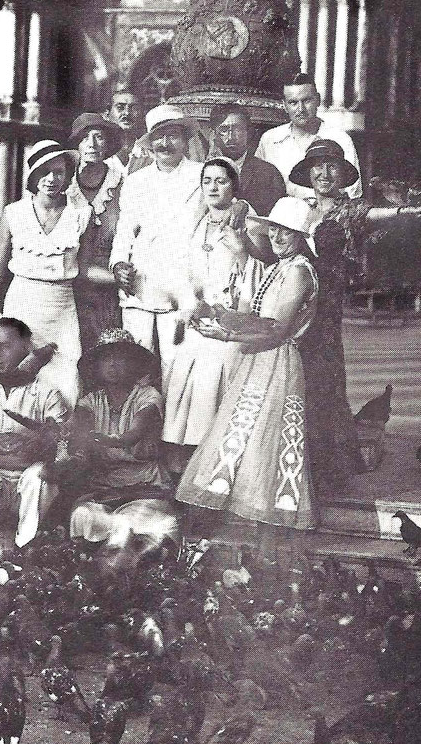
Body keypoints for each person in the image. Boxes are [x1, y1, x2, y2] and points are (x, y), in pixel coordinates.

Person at [289, 139, 421, 492]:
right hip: (292, 301)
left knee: (322, 377)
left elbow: (381, 215)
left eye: (332, 167)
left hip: (324, 309)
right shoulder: (297, 208)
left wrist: (408, 212)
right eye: (318, 167)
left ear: (343, 173)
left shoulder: (351, 210)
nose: (324, 173)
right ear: (308, 173)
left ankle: (326, 467)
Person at [176, 197, 319, 531]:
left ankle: (269, 526)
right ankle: (245, 521)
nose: (278, 237)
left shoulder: (298, 272)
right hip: (258, 358)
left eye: (288, 232)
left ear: (301, 237)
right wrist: (219, 314)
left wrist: (225, 335)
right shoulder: (277, 267)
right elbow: (257, 319)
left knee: (268, 437)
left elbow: (276, 328)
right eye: (274, 229)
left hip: (278, 360)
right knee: (244, 433)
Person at [0, 140, 115, 408]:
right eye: (44, 171)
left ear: (68, 175)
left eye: (59, 172)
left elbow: (84, 271)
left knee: (64, 376)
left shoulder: (82, 215)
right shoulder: (13, 213)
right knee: (11, 373)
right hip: (21, 305)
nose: (52, 179)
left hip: (62, 309)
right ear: (33, 175)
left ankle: (58, 445)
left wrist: (121, 278)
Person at [163, 157, 262, 448]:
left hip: (228, 320)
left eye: (221, 181)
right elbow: (180, 268)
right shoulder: (195, 223)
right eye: (207, 181)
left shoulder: (248, 223)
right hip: (195, 317)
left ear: (234, 186)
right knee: (181, 377)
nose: (213, 187)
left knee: (212, 379)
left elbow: (255, 274)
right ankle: (184, 462)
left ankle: (214, 459)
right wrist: (190, 300)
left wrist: (242, 252)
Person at [110, 104, 204, 382]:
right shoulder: (136, 180)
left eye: (173, 135)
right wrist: (118, 264)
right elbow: (125, 229)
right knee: (135, 364)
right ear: (150, 143)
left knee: (176, 367)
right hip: (141, 282)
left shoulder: (200, 176)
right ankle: (137, 422)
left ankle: (175, 426)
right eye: (159, 137)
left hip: (182, 285)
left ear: (185, 139)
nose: (165, 143)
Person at [0, 317, 68, 552]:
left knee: (39, 473)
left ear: (26, 348)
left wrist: (31, 442)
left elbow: (54, 443)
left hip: (29, 490)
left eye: (5, 346)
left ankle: (26, 547)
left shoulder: (47, 394)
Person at [68, 337, 172, 542]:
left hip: (146, 487)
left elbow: (134, 433)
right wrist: (66, 434)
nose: (113, 364)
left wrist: (110, 440)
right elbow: (79, 429)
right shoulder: (89, 401)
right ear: (96, 366)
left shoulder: (148, 396)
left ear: (134, 364)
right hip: (103, 489)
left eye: (121, 358)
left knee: (129, 528)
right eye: (106, 358)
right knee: (81, 517)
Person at [67, 113, 125, 350]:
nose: (91, 144)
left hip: (110, 289)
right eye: (84, 138)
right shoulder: (62, 185)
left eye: (99, 137)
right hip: (67, 285)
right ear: (76, 144)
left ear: (108, 144)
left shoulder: (122, 184)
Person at [255, 73, 362, 200]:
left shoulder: (340, 139)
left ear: (318, 99)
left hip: (329, 215)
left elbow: (352, 192)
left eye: (306, 101)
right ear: (284, 105)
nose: (301, 109)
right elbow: (257, 186)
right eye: (293, 102)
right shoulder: (270, 140)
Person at [208, 104, 286, 216]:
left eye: (237, 129)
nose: (230, 137)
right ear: (214, 134)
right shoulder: (204, 172)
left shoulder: (268, 173)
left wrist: (246, 207)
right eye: (224, 130)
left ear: (248, 132)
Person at [105, 86, 151, 175]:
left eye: (134, 108)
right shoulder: (97, 152)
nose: (127, 113)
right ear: (107, 113)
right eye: (120, 107)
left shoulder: (149, 154)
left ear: (142, 114)